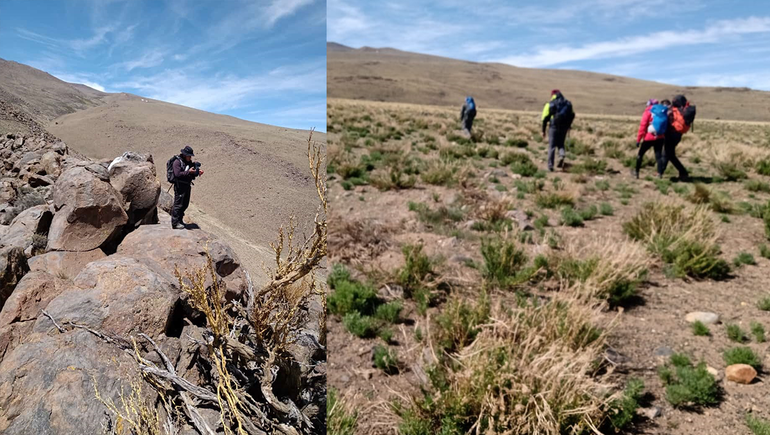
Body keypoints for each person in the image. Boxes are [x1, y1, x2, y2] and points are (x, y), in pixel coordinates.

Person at [170, 146, 204, 229]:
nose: (190, 157)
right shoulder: (177, 162)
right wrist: (188, 172)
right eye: (189, 156)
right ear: (185, 155)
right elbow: (177, 174)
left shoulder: (188, 163)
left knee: (185, 204)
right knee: (178, 205)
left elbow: (192, 173)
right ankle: (175, 223)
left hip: (187, 185)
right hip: (180, 186)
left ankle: (180, 220)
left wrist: (197, 172)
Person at [633, 99, 667, 179]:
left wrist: (638, 140)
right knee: (658, 156)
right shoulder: (661, 112)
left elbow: (643, 126)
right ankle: (659, 174)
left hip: (649, 137)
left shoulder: (648, 112)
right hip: (660, 137)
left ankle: (636, 173)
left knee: (640, 154)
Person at [541, 90, 575, 171]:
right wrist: (568, 126)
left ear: (552, 95)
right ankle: (561, 155)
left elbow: (544, 119)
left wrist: (543, 130)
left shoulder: (550, 104)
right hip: (564, 127)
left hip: (554, 126)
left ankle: (550, 166)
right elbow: (572, 115)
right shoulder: (567, 104)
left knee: (552, 146)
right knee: (560, 144)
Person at [661, 95, 691, 181]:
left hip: (672, 133)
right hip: (678, 134)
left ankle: (683, 172)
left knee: (668, 154)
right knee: (669, 153)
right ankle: (661, 171)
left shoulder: (672, 110)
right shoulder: (682, 111)